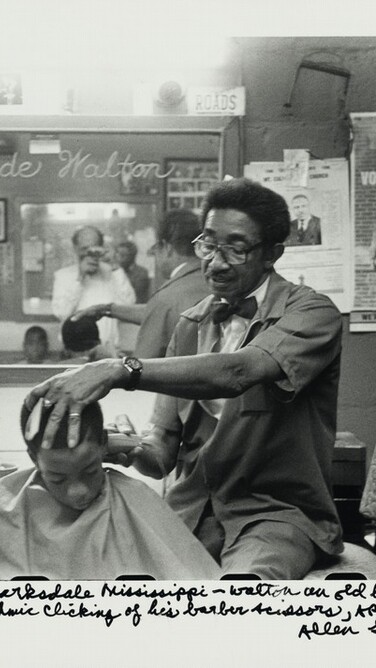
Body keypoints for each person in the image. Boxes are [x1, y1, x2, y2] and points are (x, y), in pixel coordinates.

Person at [26, 177, 344, 579]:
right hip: (193, 511)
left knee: (240, 600)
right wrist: (118, 447)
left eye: (236, 248)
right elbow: (161, 455)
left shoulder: (313, 314)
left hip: (273, 515)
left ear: (272, 254)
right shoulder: (190, 325)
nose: (216, 261)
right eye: (208, 244)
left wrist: (120, 369)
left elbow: (237, 371)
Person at [0, 400, 221, 580]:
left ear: (103, 447)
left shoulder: (136, 504)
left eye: (90, 471)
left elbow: (207, 604)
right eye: (57, 478)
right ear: (32, 459)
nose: (78, 491)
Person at [70, 209, 208, 359]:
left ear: (167, 248)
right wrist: (107, 309)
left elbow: (139, 371)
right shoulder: (211, 282)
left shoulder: (166, 299)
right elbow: (169, 314)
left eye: (155, 249)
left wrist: (110, 360)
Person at [50, 226, 136, 352]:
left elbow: (129, 305)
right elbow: (61, 312)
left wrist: (115, 267)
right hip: (74, 353)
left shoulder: (113, 273)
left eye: (94, 248)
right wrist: (80, 278)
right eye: (84, 249)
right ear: (75, 249)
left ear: (101, 248)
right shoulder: (63, 276)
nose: (90, 253)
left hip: (108, 351)